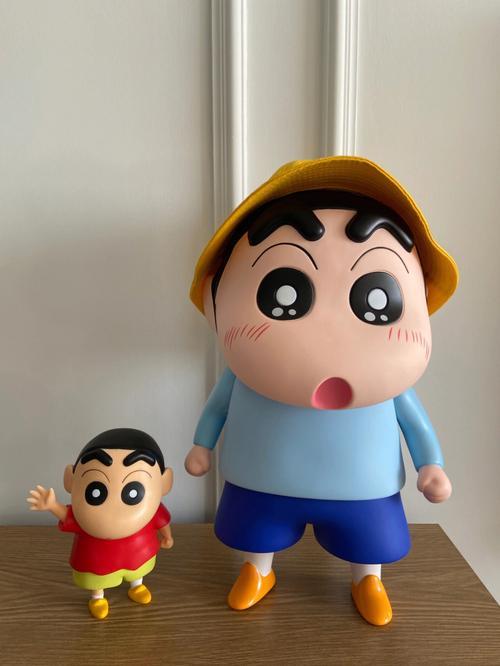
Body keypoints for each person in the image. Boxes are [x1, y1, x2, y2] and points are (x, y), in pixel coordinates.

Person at [185, 156, 458, 626]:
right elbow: (216, 409)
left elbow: (415, 423)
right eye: (283, 293)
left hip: (362, 487)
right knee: (256, 530)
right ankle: (257, 570)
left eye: (376, 300)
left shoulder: (389, 390)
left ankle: (367, 578)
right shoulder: (243, 377)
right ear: (215, 300)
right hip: (262, 480)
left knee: (368, 539)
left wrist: (430, 464)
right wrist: (201, 446)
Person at [27, 428, 173, 619]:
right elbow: (68, 516)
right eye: (95, 491)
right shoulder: (82, 516)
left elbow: (161, 521)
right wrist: (52, 506)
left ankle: (136, 586)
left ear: (164, 483)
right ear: (70, 480)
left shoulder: (152, 510)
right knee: (97, 579)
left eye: (133, 492)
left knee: (137, 571)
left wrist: (167, 536)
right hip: (97, 558)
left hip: (139, 552)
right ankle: (97, 597)